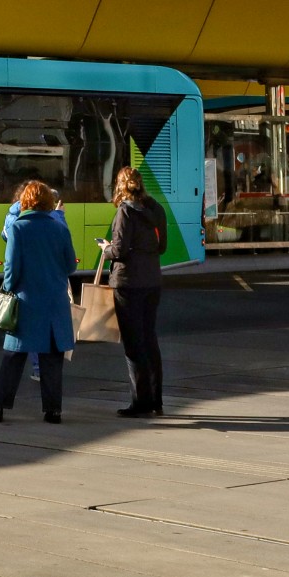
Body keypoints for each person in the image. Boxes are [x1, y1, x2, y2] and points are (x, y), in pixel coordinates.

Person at [0, 180, 76, 424]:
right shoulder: (59, 228)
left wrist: (8, 289)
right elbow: (71, 265)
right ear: (49, 201)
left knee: (13, 356)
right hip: (54, 302)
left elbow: (11, 269)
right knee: (52, 358)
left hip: (25, 302)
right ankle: (53, 411)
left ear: (24, 201)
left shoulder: (18, 228)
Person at [100, 167, 168, 417]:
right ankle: (156, 400)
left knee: (133, 343)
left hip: (128, 283)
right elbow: (162, 247)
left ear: (120, 186)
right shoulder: (156, 209)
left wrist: (105, 249)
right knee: (149, 339)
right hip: (152, 281)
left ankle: (140, 402)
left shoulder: (125, 211)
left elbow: (119, 250)